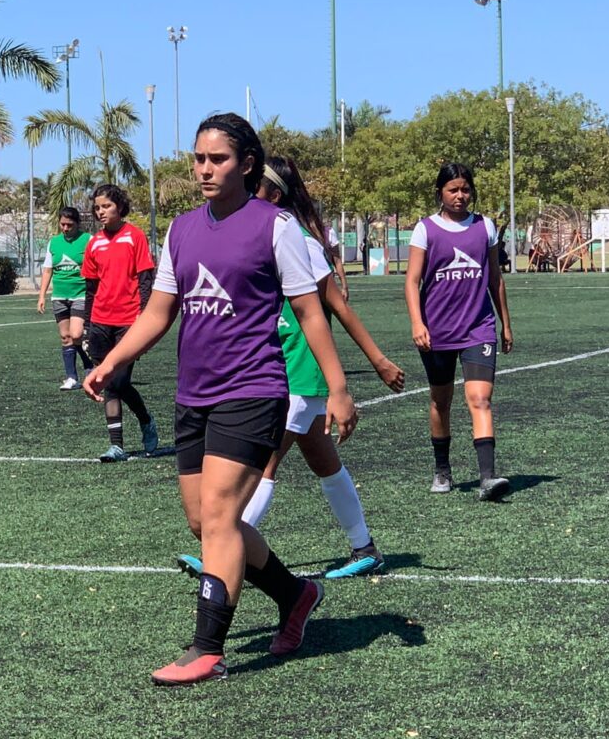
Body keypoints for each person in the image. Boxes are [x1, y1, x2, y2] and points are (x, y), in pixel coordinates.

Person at [85, 114, 358, 686]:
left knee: (218, 517)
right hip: (196, 394)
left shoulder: (275, 226)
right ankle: (295, 593)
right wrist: (112, 362)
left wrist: (338, 387)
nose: (205, 169)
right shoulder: (180, 229)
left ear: (247, 164)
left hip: (254, 390)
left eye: (219, 159)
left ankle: (207, 648)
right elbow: (159, 313)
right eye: (199, 158)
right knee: (202, 521)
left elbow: (311, 311)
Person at [177, 156, 404, 581]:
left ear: (274, 195)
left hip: (297, 368)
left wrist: (376, 360)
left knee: (264, 463)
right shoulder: (242, 233)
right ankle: (364, 546)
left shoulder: (296, 237)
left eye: (255, 184)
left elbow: (336, 307)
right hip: (273, 366)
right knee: (324, 461)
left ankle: (219, 551)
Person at [404, 163, 513, 501]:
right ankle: (442, 469)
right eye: (453, 190)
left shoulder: (486, 227)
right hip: (436, 332)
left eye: (465, 189)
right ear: (441, 192)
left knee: (480, 398)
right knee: (441, 400)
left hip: (478, 328)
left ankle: (487, 478)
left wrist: (504, 323)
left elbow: (495, 279)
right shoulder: (425, 230)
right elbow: (411, 282)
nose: (460, 196)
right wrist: (417, 323)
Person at [81, 184, 159, 462]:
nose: (101, 211)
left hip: (130, 321)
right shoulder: (94, 242)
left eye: (106, 206)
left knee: (121, 380)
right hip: (101, 321)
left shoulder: (134, 237)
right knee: (108, 382)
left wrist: (144, 316)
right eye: (98, 207)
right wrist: (88, 324)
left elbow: (146, 280)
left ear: (120, 207)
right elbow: (91, 288)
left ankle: (146, 419)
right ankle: (116, 446)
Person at [36, 206, 93, 389]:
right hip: (59, 295)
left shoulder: (88, 240)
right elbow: (47, 270)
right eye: (63, 224)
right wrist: (42, 296)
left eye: (69, 225)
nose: (65, 228)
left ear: (77, 224)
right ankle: (72, 378)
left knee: (76, 334)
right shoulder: (54, 243)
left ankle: (89, 366)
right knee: (65, 337)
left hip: (81, 294)